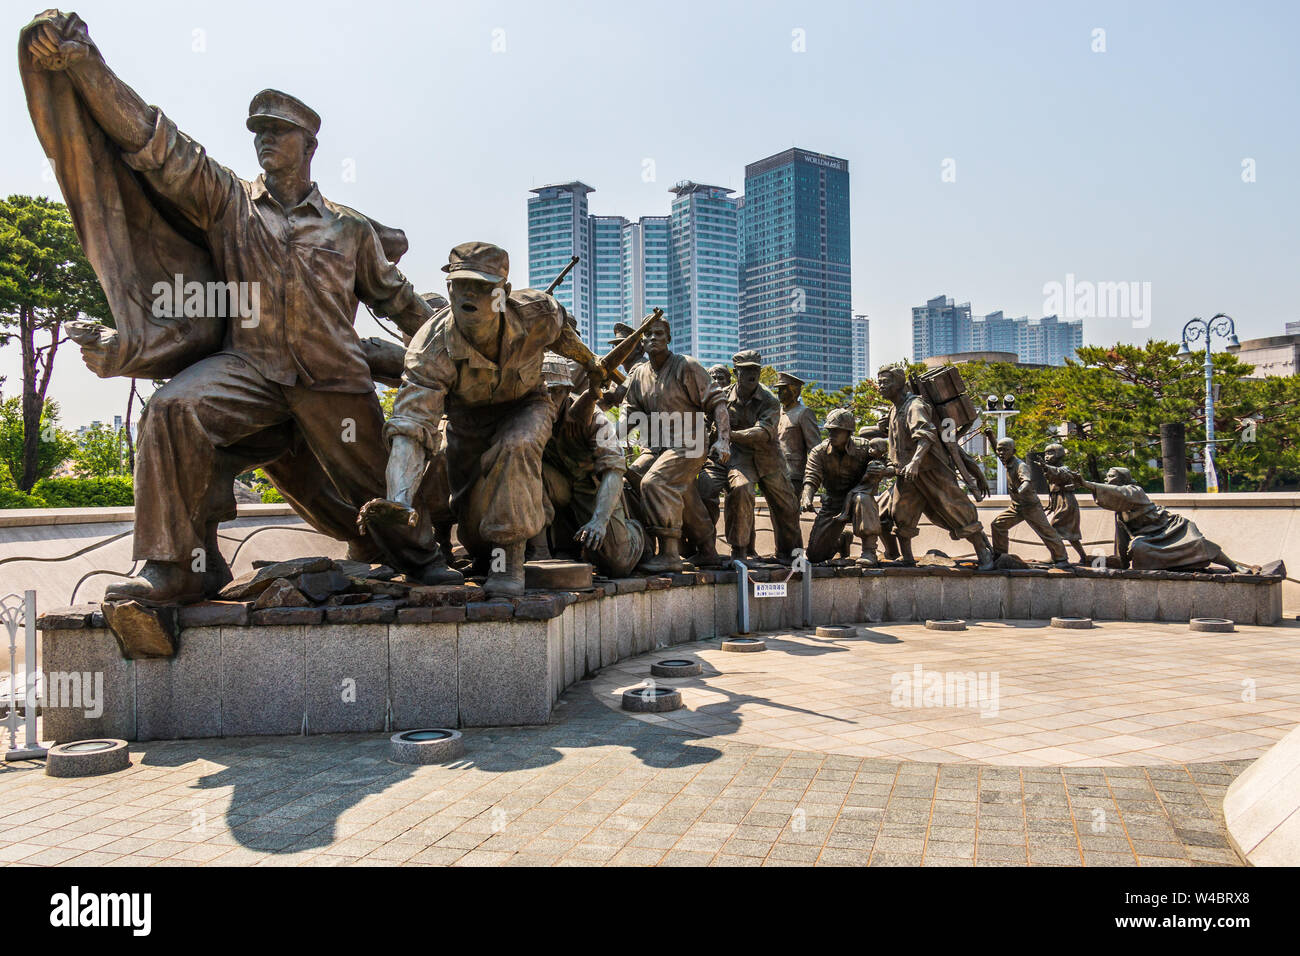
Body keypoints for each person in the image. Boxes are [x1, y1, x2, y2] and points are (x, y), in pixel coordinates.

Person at [22, 11, 458, 602]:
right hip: (248, 370)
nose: (265, 140)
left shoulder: (350, 230)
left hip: (333, 382)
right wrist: (85, 65)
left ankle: (423, 555)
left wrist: (456, 354)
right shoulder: (229, 202)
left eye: (279, 131)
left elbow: (404, 305)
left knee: (382, 492)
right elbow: (154, 143)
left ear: (311, 145)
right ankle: (174, 566)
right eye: (259, 131)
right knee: (172, 410)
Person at [371, 242, 606, 597]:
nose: (469, 294)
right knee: (471, 518)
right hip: (467, 420)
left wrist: (591, 363)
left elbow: (563, 338)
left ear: (503, 292)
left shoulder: (538, 312)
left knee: (517, 447)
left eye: (482, 286)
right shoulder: (431, 349)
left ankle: (509, 564)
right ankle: (487, 556)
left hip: (527, 405)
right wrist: (399, 499)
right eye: (460, 284)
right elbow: (410, 426)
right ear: (449, 287)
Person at [620, 317, 730, 572]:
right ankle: (707, 550)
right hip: (659, 447)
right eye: (647, 335)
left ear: (669, 338)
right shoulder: (640, 375)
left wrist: (724, 440)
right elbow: (629, 409)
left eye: (659, 334)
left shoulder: (686, 366)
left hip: (689, 444)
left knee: (655, 483)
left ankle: (669, 552)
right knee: (634, 479)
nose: (653, 338)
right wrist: (613, 439)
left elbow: (718, 402)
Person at [530, 355, 646, 578]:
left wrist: (600, 521)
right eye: (544, 391)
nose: (550, 399)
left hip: (595, 491)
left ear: (566, 391)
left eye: (557, 392)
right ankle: (544, 550)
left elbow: (613, 470)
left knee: (618, 565)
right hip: (560, 489)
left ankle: (636, 532)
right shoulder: (531, 417)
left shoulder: (595, 418)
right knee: (528, 469)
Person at [871, 364, 995, 569]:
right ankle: (906, 557)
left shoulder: (914, 406)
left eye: (885, 382)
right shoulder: (894, 409)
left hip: (931, 470)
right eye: (879, 382)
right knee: (898, 513)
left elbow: (926, 435)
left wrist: (915, 462)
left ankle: (983, 552)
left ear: (899, 383)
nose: (881, 386)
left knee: (955, 508)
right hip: (907, 474)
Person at [1071, 467, 1259, 572]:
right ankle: (1177, 565)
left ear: (1123, 480)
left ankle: (1233, 565)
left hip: (1171, 528)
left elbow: (1119, 493)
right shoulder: (1119, 512)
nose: (1106, 478)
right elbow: (1123, 542)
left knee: (1199, 543)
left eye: (1110, 476)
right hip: (1150, 538)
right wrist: (1115, 560)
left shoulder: (1135, 492)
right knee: (1138, 547)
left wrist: (1087, 484)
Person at [720, 351, 804, 563]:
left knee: (787, 504)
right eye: (746, 370)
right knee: (740, 489)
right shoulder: (722, 397)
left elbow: (762, 432)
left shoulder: (769, 400)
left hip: (769, 458)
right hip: (740, 457)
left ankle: (793, 557)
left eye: (755, 369)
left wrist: (730, 434)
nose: (752, 374)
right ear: (735, 372)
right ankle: (739, 552)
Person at [801, 409, 890, 564]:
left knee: (863, 499)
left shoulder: (864, 448)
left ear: (848, 432)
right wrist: (807, 497)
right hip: (833, 503)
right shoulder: (819, 452)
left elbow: (889, 463)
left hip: (858, 498)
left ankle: (869, 552)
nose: (831, 435)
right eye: (830, 431)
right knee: (815, 556)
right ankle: (841, 541)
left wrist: (882, 470)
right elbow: (811, 476)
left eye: (836, 431)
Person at [990, 438, 1069, 566]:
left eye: (1005, 450)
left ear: (1013, 451)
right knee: (998, 525)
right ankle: (1000, 556)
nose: (1001, 453)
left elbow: (1026, 481)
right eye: (999, 450)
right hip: (1017, 507)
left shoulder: (1020, 465)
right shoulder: (1006, 460)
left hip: (1031, 507)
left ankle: (1061, 559)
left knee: (1046, 531)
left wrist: (1020, 489)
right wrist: (990, 436)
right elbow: (997, 449)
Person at [1042, 442, 1089, 564]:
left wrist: (1047, 468)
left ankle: (1058, 556)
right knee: (1070, 534)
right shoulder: (1051, 470)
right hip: (1059, 501)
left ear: (1058, 454)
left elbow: (1059, 474)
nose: (1046, 456)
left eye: (1050, 453)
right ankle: (1083, 557)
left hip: (1066, 502)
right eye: (1045, 454)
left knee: (1053, 530)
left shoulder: (1064, 469)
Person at [776, 372, 821, 490]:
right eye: (778, 389)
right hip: (773, 473)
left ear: (794, 392)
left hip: (794, 474)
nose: (778, 392)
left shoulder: (804, 413)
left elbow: (814, 448)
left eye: (783, 389)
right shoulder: (775, 413)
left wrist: (811, 477)